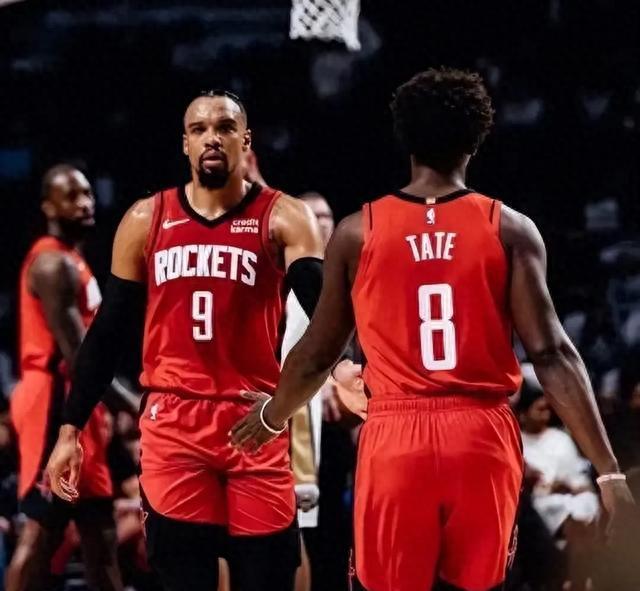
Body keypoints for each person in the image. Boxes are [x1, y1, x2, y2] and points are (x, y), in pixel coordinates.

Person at [230, 68, 635, 591]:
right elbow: (553, 354)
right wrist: (608, 471)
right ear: (475, 140)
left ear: (404, 139)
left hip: (396, 437)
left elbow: (317, 352)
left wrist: (271, 415)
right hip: (480, 435)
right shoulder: (511, 229)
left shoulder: (356, 232)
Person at [46, 90, 325, 591]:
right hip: (175, 422)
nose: (211, 138)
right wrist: (71, 429)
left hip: (254, 417)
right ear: (185, 143)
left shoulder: (284, 216)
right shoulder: (145, 219)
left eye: (224, 127)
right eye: (199, 129)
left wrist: (345, 369)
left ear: (245, 141)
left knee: (268, 576)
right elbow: (107, 335)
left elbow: (326, 315)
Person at [7, 165, 123, 591]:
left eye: (88, 193)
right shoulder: (52, 263)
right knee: (42, 528)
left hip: (79, 401)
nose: (85, 203)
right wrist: (138, 404)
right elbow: (80, 357)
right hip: (54, 402)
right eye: (71, 196)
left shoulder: (75, 259)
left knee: (100, 529)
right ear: (48, 207)